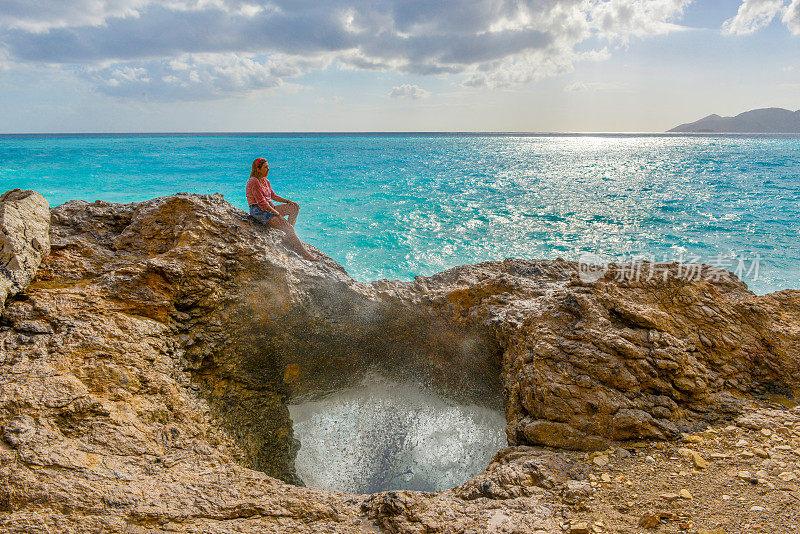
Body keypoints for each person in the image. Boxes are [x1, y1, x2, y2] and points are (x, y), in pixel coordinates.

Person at [246, 157, 317, 261]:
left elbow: (273, 196)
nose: (268, 169)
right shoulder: (254, 181)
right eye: (266, 167)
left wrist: (288, 201)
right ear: (258, 169)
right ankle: (305, 255)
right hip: (259, 211)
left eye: (268, 167)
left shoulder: (265, 181)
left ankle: (288, 236)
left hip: (269, 208)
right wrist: (278, 215)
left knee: (294, 208)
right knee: (288, 228)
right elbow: (262, 204)